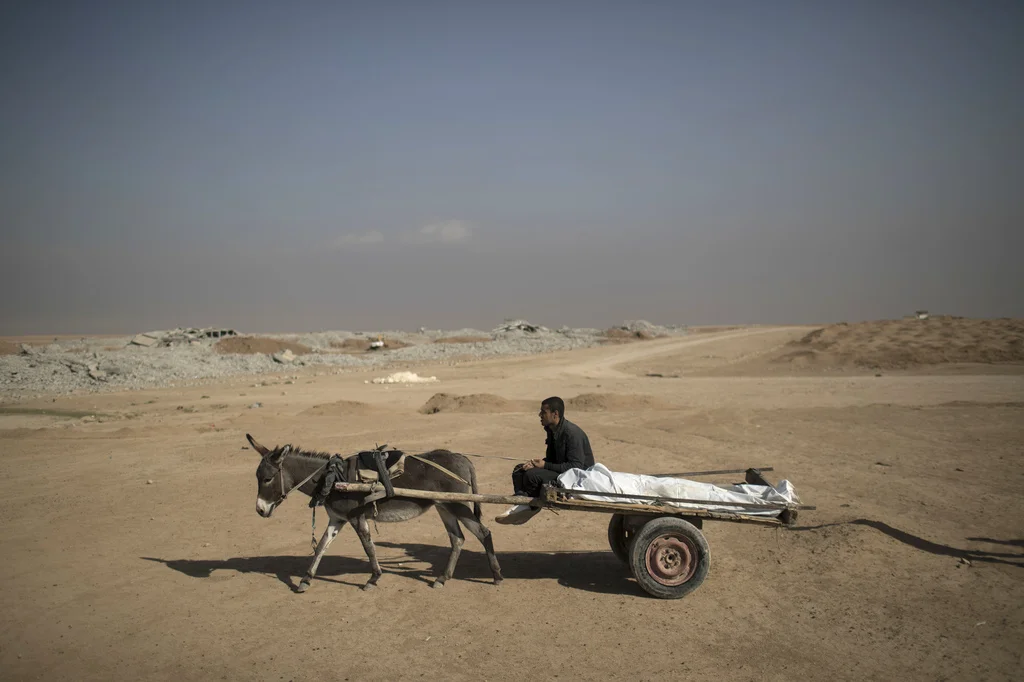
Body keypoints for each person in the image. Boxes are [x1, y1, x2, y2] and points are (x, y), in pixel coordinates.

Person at [512, 396, 594, 497]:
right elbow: (553, 459)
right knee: (519, 470)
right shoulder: (552, 430)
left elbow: (576, 467)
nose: (540, 415)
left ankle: (531, 502)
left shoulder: (572, 434)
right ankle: (520, 498)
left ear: (555, 414)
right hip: (561, 471)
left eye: (543, 412)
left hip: (576, 478)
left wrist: (545, 465)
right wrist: (535, 464)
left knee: (531, 476)